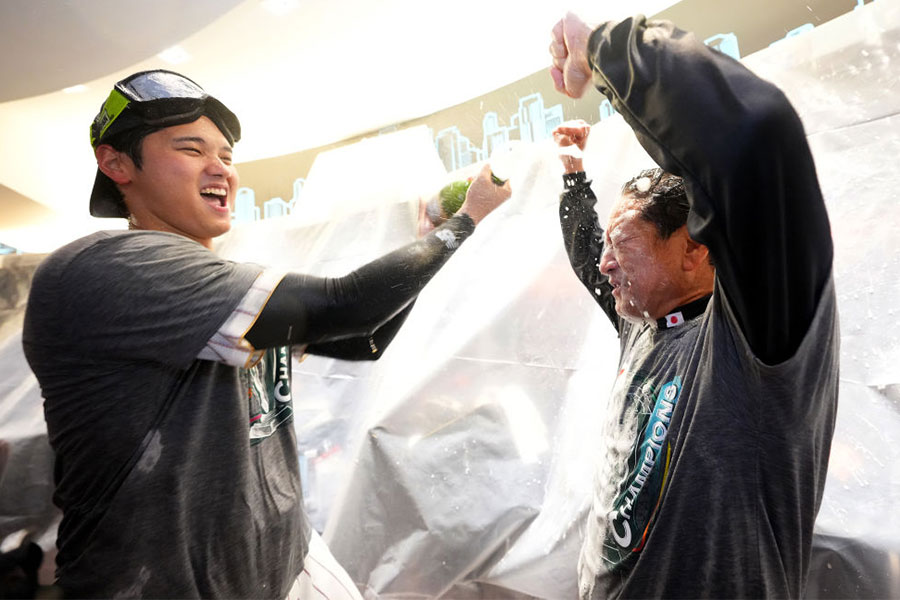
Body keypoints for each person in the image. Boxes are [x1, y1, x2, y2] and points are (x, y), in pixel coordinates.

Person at [21, 69, 510, 599]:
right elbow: (346, 305)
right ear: (116, 163)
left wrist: (425, 241)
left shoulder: (212, 282)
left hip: (284, 561)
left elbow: (361, 338)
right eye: (191, 149)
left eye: (227, 157)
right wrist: (463, 222)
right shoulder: (112, 266)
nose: (220, 170)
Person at [549, 13, 838, 599]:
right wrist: (574, 178)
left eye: (623, 245)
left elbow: (757, 140)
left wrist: (609, 52)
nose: (606, 266)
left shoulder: (753, 347)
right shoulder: (645, 326)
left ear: (696, 249)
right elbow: (586, 257)